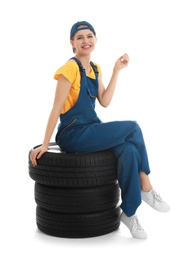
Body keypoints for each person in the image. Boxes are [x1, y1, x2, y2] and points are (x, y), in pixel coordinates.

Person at [30, 21, 170, 239]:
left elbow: (104, 101)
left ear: (95, 39)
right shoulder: (69, 68)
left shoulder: (95, 69)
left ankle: (130, 212)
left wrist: (116, 70)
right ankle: (147, 186)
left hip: (92, 128)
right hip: (73, 134)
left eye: (90, 36)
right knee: (133, 128)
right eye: (80, 37)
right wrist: (46, 144)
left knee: (129, 150)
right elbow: (56, 107)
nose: (86, 41)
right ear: (72, 43)